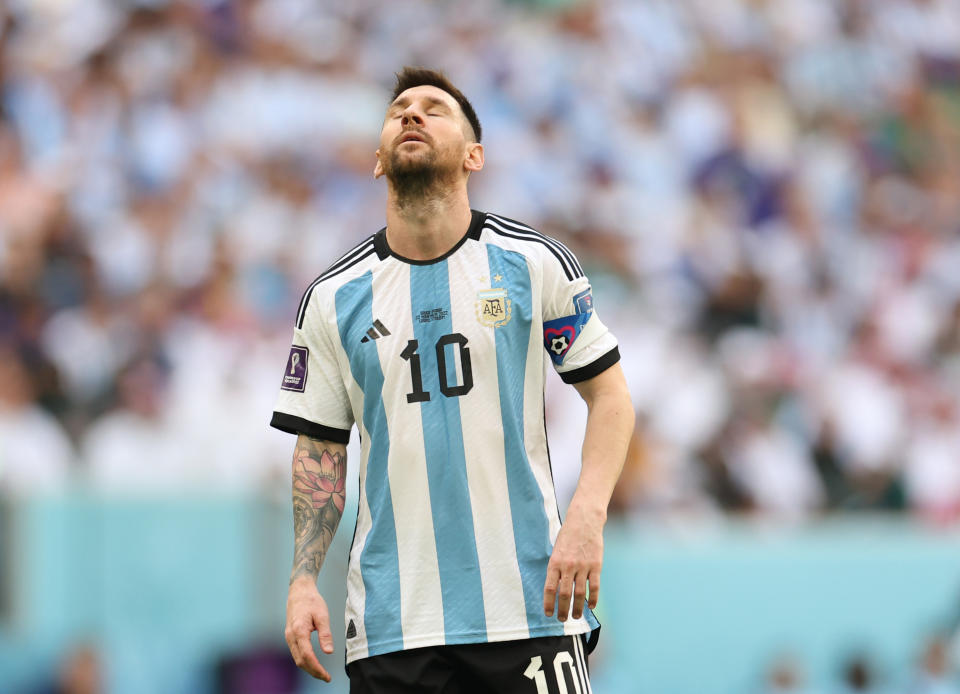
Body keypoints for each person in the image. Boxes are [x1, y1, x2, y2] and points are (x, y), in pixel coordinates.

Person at [271, 66, 634, 693]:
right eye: (398, 110)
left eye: (434, 108)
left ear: (475, 155)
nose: (411, 114)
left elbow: (610, 396)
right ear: (378, 160)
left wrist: (586, 519)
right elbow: (320, 449)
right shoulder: (333, 298)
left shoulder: (531, 264)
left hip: (527, 604)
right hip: (393, 624)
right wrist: (304, 577)